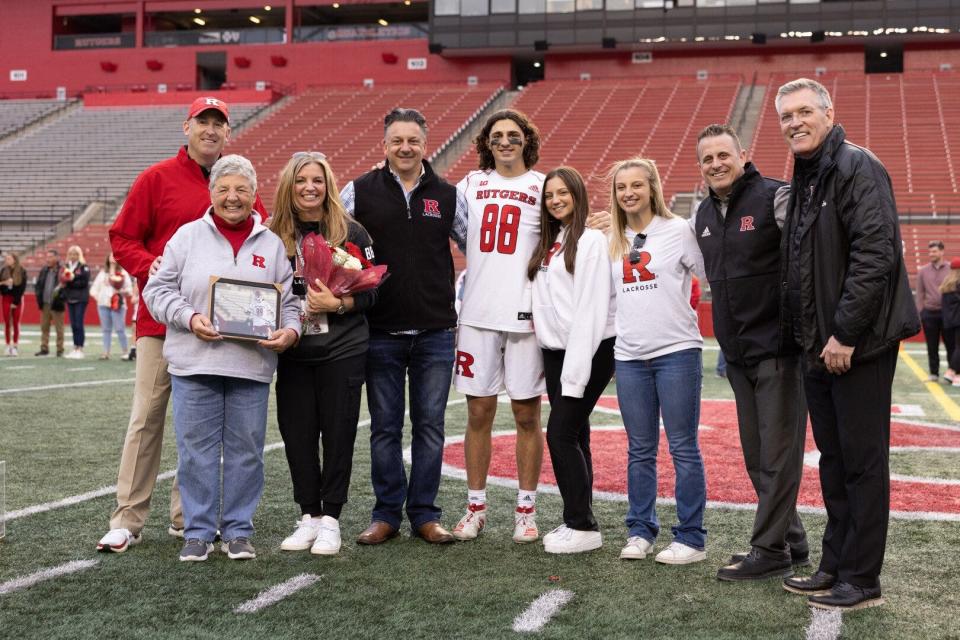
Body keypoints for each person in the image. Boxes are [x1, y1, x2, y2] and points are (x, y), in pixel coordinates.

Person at [99, 96, 267, 553]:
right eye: (202, 122)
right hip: (162, 323)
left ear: (228, 132)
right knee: (148, 418)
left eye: (219, 123)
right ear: (186, 127)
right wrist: (155, 267)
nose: (210, 130)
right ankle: (127, 519)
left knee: (203, 427)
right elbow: (122, 237)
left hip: (223, 333)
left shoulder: (236, 183)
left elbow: (262, 237)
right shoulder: (156, 179)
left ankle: (185, 517)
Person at [776, 78, 919, 610]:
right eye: (786, 116)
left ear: (829, 112)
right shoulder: (810, 174)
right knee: (834, 461)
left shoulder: (857, 166)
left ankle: (862, 578)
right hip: (819, 346)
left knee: (861, 462)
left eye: (804, 111)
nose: (794, 122)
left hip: (854, 345)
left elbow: (876, 255)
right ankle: (835, 563)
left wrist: (844, 334)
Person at [143, 154, 300, 562]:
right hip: (195, 363)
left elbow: (291, 302)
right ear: (211, 193)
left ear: (254, 195)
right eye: (224, 189)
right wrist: (189, 317)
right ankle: (197, 531)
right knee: (195, 451)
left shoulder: (272, 244)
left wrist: (291, 331)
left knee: (247, 450)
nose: (233, 198)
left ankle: (238, 530)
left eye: (241, 190)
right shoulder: (186, 237)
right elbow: (156, 292)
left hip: (251, 366)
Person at [692, 124, 809, 582]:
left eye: (724, 155)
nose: (716, 164)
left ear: (744, 154)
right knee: (757, 456)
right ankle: (793, 539)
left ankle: (769, 548)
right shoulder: (701, 214)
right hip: (737, 353)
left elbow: (807, 258)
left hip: (779, 348)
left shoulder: (776, 196)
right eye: (707, 159)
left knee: (778, 455)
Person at [341, 107, 461, 546]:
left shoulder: (448, 195)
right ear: (385, 145)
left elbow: (477, 245)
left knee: (430, 426)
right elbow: (331, 233)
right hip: (380, 330)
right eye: (397, 141)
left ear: (425, 144)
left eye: (412, 140)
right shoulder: (357, 191)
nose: (405, 148)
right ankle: (386, 513)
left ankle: (425, 514)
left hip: (435, 331)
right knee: (385, 427)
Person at [269, 152, 378, 555]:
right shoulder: (270, 233)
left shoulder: (350, 231)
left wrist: (341, 304)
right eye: (300, 180)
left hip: (342, 349)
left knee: (337, 434)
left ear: (328, 185)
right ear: (289, 186)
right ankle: (308, 516)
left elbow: (375, 292)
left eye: (317, 180)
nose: (309, 187)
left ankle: (331, 518)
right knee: (297, 436)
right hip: (293, 349)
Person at [451, 109, 546, 543]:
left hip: (527, 315)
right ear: (486, 144)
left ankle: (525, 510)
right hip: (477, 313)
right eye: (497, 136)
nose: (505, 141)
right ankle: (475, 507)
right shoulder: (470, 185)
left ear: (526, 140)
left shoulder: (543, 186)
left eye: (513, 135)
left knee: (527, 414)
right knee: (478, 413)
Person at [608, 157, 708, 565]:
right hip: (629, 355)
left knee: (683, 447)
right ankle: (640, 529)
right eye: (620, 187)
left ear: (652, 188)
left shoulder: (679, 230)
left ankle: (690, 537)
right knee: (639, 449)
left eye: (636, 185)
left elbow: (708, 275)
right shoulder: (610, 238)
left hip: (676, 352)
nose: (628, 193)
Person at [528, 166, 615, 554]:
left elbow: (590, 311)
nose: (556, 200)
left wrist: (576, 374)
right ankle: (578, 517)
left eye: (563, 193)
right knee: (577, 434)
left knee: (560, 433)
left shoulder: (592, 240)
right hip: (555, 351)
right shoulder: (552, 239)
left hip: (589, 348)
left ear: (578, 196)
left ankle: (582, 525)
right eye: (549, 195)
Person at [915, 240, 952, 382]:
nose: (931, 254)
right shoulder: (923, 271)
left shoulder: (951, 269)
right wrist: (921, 313)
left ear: (942, 251)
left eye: (934, 251)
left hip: (947, 313)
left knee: (951, 344)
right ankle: (934, 373)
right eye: (930, 251)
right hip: (929, 313)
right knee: (932, 345)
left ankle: (952, 372)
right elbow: (919, 294)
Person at [89, 253, 134, 359]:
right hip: (103, 305)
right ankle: (106, 352)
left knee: (120, 329)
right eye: (111, 256)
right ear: (107, 259)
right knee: (106, 329)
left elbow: (129, 290)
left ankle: (125, 351)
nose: (112, 258)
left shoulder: (123, 273)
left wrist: (121, 292)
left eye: (114, 256)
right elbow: (94, 289)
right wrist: (98, 298)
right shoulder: (103, 273)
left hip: (118, 305)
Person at [34, 249, 66, 357]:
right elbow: (39, 285)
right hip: (45, 303)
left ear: (57, 258)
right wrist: (39, 298)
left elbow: (65, 286)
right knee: (44, 327)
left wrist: (61, 298)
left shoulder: (62, 270)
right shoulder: (44, 270)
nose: (48, 259)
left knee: (59, 328)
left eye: (51, 257)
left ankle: (60, 349)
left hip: (57, 304)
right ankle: (44, 348)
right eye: (47, 257)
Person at [61, 245, 91, 359]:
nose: (73, 256)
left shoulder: (84, 267)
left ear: (79, 255)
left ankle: (80, 348)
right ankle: (75, 346)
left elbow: (84, 282)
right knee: (73, 324)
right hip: (70, 298)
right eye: (71, 254)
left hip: (81, 298)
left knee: (79, 323)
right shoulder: (66, 266)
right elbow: (64, 280)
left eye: (75, 254)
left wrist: (72, 280)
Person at [0, 251, 27, 356]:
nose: (7, 261)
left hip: (18, 299)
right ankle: (7, 345)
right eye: (6, 259)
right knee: (7, 322)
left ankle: (15, 346)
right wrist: (4, 283)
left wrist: (15, 301)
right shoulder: (3, 270)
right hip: (6, 298)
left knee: (16, 323)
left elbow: (22, 288)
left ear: (15, 260)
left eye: (9, 259)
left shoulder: (22, 271)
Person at [940, 258, 960, 388]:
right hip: (959, 321)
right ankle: (951, 371)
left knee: (953, 348)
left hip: (948, 322)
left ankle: (957, 376)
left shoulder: (946, 285)